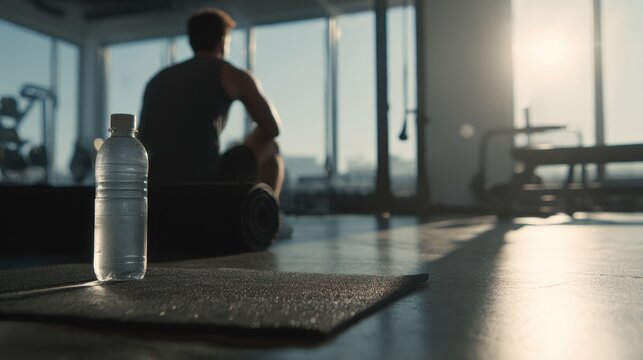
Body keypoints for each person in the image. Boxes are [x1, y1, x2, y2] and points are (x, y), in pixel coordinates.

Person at [138, 8, 284, 199]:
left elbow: (142, 139)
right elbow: (272, 128)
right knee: (270, 146)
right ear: (223, 41)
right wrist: (246, 142)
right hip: (206, 185)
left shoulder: (157, 79)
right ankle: (267, 218)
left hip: (155, 189)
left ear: (191, 41)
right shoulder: (230, 74)